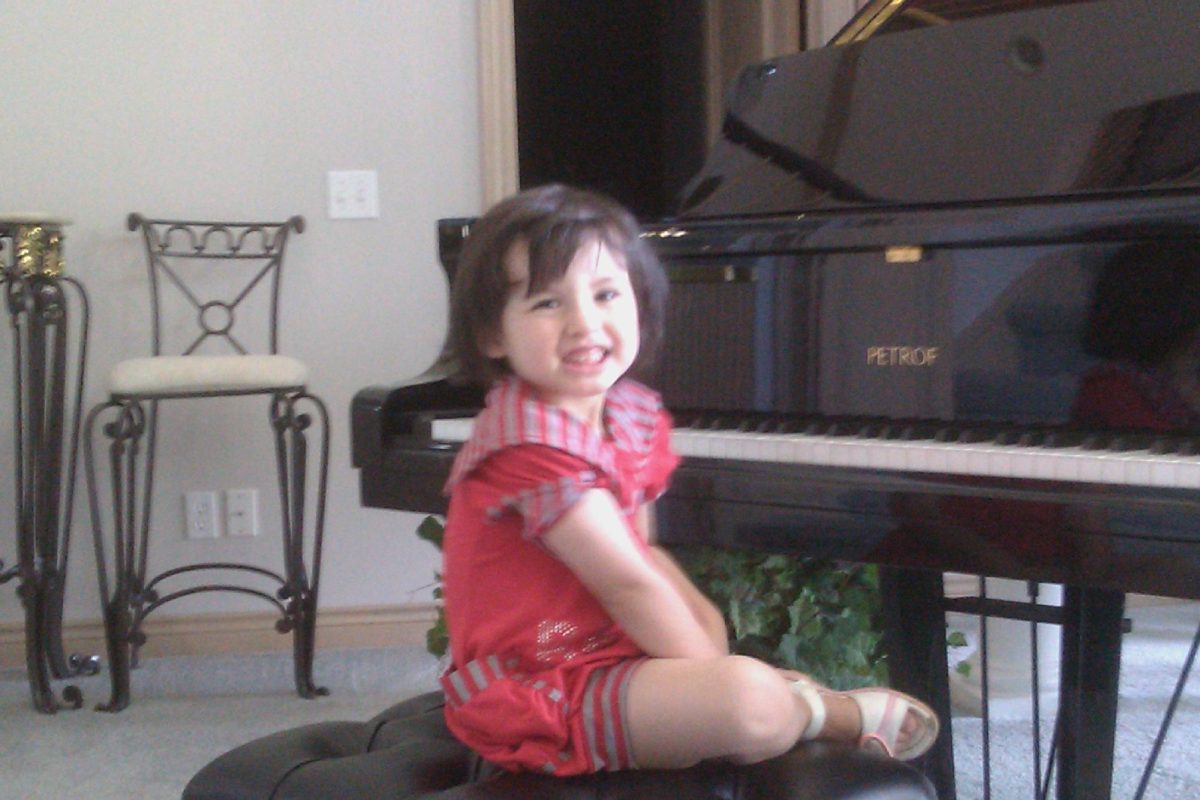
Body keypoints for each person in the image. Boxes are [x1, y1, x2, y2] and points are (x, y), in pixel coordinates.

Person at [436, 183, 939, 777]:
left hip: (612, 653)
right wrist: (711, 672)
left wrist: (709, 644)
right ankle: (822, 712)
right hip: (541, 683)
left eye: (605, 294)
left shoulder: (626, 414)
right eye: (548, 303)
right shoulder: (527, 445)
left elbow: (644, 555)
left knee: (729, 676)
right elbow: (626, 583)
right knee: (745, 700)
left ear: (640, 306)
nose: (583, 322)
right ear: (493, 335)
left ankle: (774, 697)